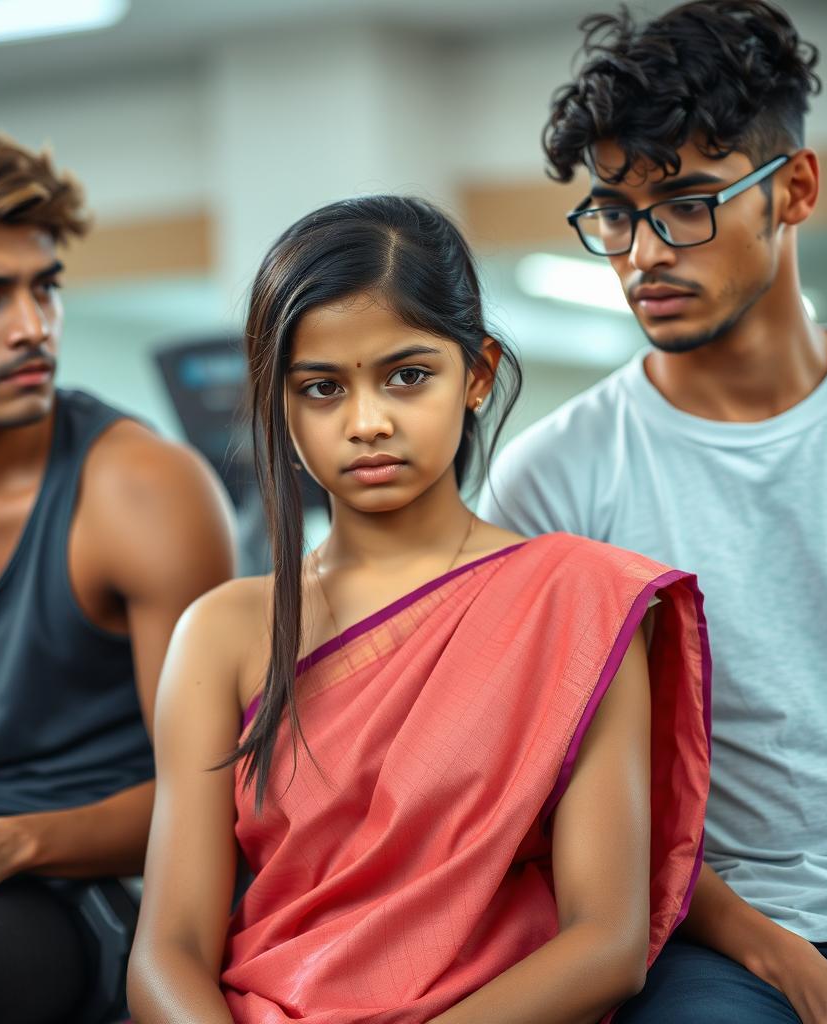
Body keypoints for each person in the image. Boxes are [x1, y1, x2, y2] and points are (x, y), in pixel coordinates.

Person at [127, 195, 711, 1024]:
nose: (368, 423)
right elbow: (168, 951)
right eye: (322, 388)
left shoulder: (579, 601)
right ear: (279, 407)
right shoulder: (220, 632)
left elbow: (605, 944)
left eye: (408, 375)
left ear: (475, 374)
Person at [479, 2, 827, 1022]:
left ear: (792, 189)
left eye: (689, 202)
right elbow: (565, 800)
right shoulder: (549, 482)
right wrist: (790, 962)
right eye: (613, 210)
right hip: (717, 934)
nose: (641, 253)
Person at [0, 115, 235, 1021]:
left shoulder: (142, 490)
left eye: (45, 289)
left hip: (89, 886)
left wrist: (6, 844)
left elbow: (222, 798)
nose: (34, 327)